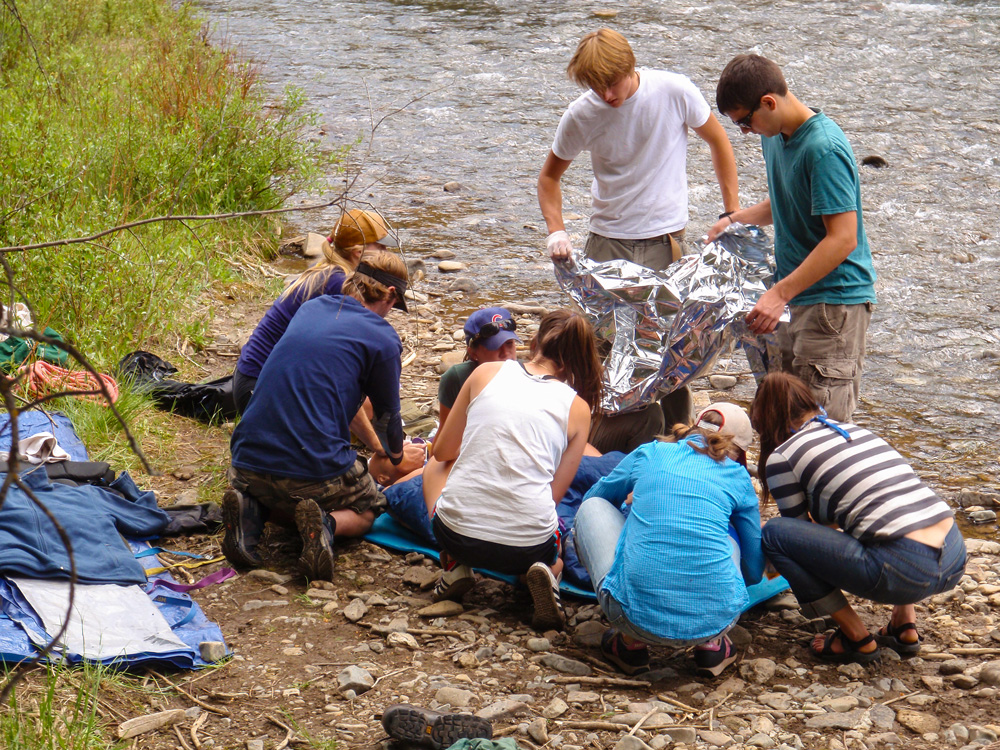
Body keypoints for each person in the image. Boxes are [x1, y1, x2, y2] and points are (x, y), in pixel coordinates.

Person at [538, 28, 738, 454]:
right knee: (604, 351)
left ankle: (679, 447)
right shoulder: (582, 113)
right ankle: (600, 449)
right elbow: (549, 177)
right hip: (606, 245)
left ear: (631, 68)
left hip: (664, 244)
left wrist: (730, 213)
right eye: (596, 87)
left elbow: (720, 142)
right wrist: (557, 229)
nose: (607, 96)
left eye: (612, 84)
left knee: (670, 353)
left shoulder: (674, 90)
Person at [750, 372, 966, 664]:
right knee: (888, 518)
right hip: (954, 555)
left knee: (775, 533)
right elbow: (870, 507)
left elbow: (796, 533)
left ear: (764, 420)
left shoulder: (782, 457)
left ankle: (855, 637)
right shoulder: (856, 431)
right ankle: (904, 624)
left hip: (906, 570)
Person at [221, 251, 410, 581]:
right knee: (370, 508)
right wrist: (395, 455)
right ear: (390, 295)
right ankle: (326, 525)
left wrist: (376, 446)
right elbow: (388, 418)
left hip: (244, 459)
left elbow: (337, 399)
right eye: (394, 306)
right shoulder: (382, 337)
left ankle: (251, 510)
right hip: (312, 472)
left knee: (285, 490)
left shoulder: (310, 309)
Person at [709, 54, 877, 422]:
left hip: (833, 307)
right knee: (782, 418)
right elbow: (790, 198)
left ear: (768, 102)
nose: (746, 132)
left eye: (745, 122)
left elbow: (843, 238)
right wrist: (736, 220)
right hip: (794, 298)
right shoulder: (775, 136)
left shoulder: (824, 149)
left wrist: (779, 293)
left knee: (819, 431)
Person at [421, 310, 602, 631]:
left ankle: (453, 564)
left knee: (435, 465)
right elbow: (553, 495)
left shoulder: (484, 373)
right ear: (579, 360)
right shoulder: (579, 408)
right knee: (545, 535)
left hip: (458, 535)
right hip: (528, 544)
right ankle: (548, 571)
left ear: (532, 344)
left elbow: (443, 451)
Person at [574, 403, 763, 677]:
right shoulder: (738, 476)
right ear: (737, 451)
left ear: (694, 426)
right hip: (719, 619)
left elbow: (597, 495)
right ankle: (713, 644)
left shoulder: (651, 452)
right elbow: (754, 570)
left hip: (631, 619)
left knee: (591, 507)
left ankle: (629, 642)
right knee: (728, 536)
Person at [233, 207, 399, 454]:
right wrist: (379, 447)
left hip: (250, 379)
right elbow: (339, 384)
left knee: (370, 405)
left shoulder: (332, 269)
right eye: (381, 248)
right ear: (358, 252)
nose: (386, 254)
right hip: (260, 389)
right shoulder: (340, 284)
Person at [437, 307, 520, 435]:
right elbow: (444, 437)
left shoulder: (528, 375)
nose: (505, 353)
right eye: (495, 346)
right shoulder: (458, 378)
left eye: (509, 344)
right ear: (473, 353)